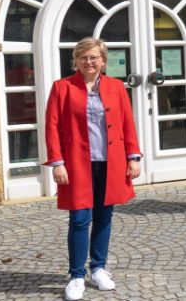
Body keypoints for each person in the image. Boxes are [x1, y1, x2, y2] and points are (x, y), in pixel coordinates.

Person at [44, 37, 142, 301]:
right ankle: (76, 276)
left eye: (94, 57)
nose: (89, 62)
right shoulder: (61, 88)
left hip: (110, 164)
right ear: (76, 60)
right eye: (84, 57)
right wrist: (57, 162)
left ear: (103, 61)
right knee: (78, 220)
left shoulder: (116, 87)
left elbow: (126, 123)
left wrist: (133, 157)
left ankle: (98, 268)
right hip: (76, 165)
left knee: (104, 217)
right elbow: (52, 127)